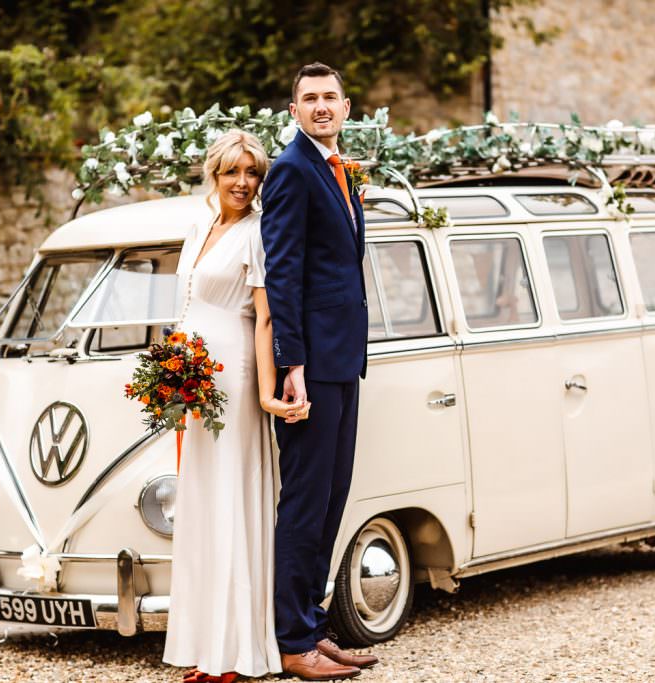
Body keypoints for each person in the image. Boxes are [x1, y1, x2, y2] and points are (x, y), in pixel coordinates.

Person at [163, 130, 309, 683]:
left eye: (252, 173)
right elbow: (186, 304)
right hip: (194, 376)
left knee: (232, 503)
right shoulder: (200, 226)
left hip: (235, 374)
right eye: (233, 173)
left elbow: (265, 319)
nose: (243, 183)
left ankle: (237, 652)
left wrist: (270, 392)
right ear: (214, 175)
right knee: (201, 505)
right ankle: (206, 647)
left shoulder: (256, 234)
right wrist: (172, 368)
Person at [260, 62, 378, 680]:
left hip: (344, 358)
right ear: (294, 111)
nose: (321, 106)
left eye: (330, 97)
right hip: (313, 365)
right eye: (310, 98)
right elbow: (283, 274)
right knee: (306, 501)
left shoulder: (336, 169)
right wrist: (293, 364)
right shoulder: (290, 171)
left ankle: (313, 621)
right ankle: (292, 641)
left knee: (334, 494)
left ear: (347, 106)